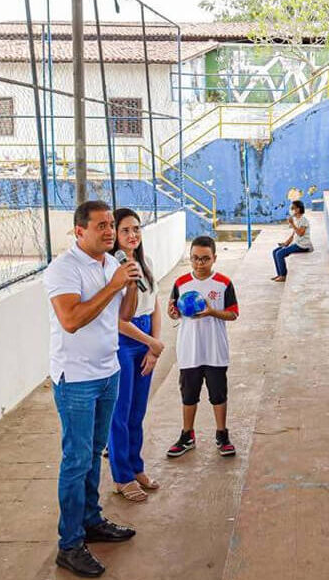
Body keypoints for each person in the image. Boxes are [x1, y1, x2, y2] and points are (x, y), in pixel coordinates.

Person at [43, 200, 141, 577]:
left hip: (107, 371)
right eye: (100, 225)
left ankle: (91, 520)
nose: (109, 231)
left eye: (111, 225)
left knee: (93, 452)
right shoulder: (63, 270)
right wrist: (113, 284)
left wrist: (128, 283)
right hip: (77, 379)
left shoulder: (111, 264)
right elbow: (71, 320)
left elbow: (125, 315)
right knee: (76, 459)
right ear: (79, 231)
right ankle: (69, 544)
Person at [107, 208, 164, 504]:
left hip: (145, 339)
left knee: (138, 411)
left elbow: (154, 303)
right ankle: (122, 476)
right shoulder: (112, 269)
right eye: (126, 230)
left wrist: (154, 345)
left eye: (137, 229)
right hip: (123, 341)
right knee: (121, 412)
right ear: (115, 235)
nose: (133, 235)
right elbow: (117, 319)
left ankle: (136, 466)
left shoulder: (146, 263)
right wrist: (149, 342)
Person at [166, 236, 240, 459]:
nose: (200, 263)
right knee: (189, 395)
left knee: (218, 395)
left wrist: (211, 312)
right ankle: (187, 435)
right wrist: (173, 313)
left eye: (205, 259)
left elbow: (233, 313)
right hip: (189, 350)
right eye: (195, 258)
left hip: (215, 350)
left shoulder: (224, 283)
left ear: (214, 258)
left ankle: (222, 434)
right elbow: (174, 310)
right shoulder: (180, 283)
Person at [271, 200, 313, 282]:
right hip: (296, 243)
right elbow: (294, 234)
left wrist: (292, 224)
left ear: (298, 209)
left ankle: (283, 275)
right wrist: (286, 243)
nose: (291, 210)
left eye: (293, 208)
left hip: (302, 246)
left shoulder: (303, 220)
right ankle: (279, 274)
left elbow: (300, 233)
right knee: (275, 251)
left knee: (279, 254)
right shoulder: (296, 219)